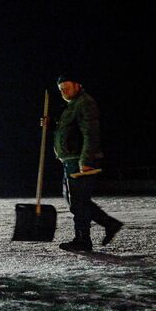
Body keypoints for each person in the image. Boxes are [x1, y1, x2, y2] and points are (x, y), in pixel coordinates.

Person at [51, 73, 123, 252]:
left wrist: (85, 160)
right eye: (61, 90)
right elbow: (70, 129)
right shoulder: (72, 106)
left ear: (78, 85)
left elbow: (90, 133)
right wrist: (52, 123)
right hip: (70, 160)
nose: (64, 92)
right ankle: (108, 223)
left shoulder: (85, 103)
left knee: (78, 201)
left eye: (67, 88)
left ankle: (83, 240)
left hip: (79, 160)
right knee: (75, 200)